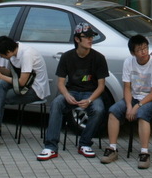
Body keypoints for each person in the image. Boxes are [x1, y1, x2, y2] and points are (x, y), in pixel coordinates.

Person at [38, 23, 109, 161]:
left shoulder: (99, 58)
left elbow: (101, 86)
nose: (90, 39)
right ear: (77, 39)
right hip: (72, 91)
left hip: (91, 93)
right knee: (57, 103)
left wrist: (90, 100)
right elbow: (60, 82)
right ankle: (51, 147)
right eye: (86, 37)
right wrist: (66, 95)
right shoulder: (67, 57)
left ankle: (85, 143)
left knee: (99, 109)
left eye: (91, 36)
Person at [99, 34, 152, 168]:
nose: (144, 52)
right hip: (134, 97)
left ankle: (144, 152)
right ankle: (112, 148)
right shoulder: (128, 62)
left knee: (142, 114)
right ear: (132, 53)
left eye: (145, 48)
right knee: (113, 111)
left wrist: (137, 107)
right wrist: (129, 106)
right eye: (140, 50)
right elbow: (127, 87)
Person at [0, 35, 50, 149]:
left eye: (1, 55)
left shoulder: (27, 54)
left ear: (8, 51)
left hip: (34, 90)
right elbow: (12, 74)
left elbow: (21, 82)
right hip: (22, 85)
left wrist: (0, 76)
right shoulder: (14, 53)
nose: (1, 57)